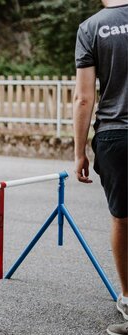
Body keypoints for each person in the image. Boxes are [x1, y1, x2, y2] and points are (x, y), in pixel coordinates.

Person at [73, 1, 128, 334]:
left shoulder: (91, 28)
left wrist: (79, 150)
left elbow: (83, 97)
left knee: (122, 218)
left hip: (115, 134)